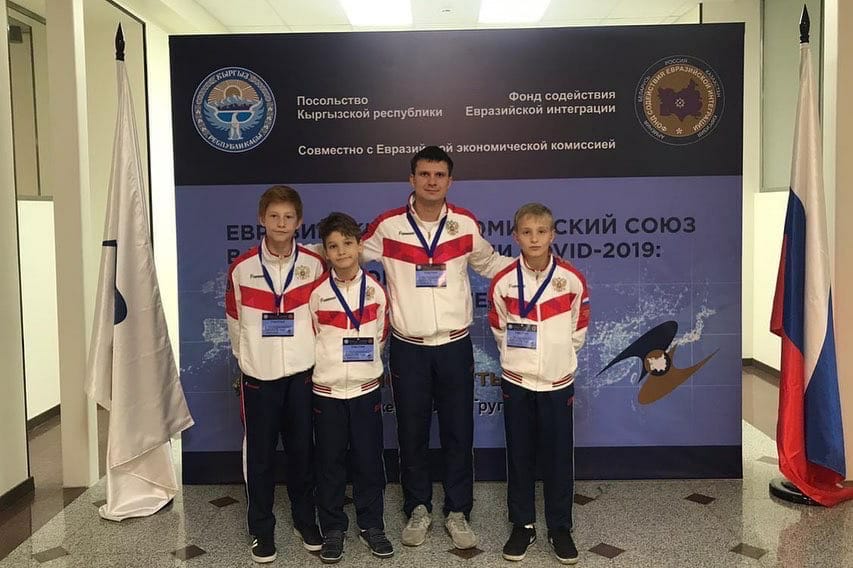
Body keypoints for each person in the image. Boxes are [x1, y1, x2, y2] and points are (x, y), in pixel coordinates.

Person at [361, 146, 511, 549]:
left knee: (458, 431)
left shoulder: (464, 224)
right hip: (408, 348)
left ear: (450, 181)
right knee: (411, 432)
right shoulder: (388, 226)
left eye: (439, 175)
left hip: (454, 346)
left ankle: (458, 511)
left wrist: (537, 263)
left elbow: (491, 263)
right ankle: (418, 507)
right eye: (424, 174)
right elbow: (348, 255)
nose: (432, 181)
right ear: (411, 179)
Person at [225, 185, 325, 563]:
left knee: (303, 452)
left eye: (288, 217)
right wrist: (251, 362)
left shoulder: (314, 264)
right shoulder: (242, 268)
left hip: (301, 375)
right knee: (260, 458)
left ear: (299, 222)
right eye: (274, 216)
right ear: (261, 219)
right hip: (259, 378)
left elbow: (322, 317)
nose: (281, 224)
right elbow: (235, 323)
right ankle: (261, 529)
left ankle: (304, 520)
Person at [488, 203, 590, 565]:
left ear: (552, 235)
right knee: (519, 455)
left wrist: (558, 359)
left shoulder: (571, 279)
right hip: (517, 382)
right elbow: (499, 327)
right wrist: (519, 360)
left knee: (559, 458)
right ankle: (523, 525)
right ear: (516, 236)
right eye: (527, 232)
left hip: (557, 383)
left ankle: (559, 527)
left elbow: (578, 326)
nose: (534, 239)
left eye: (541, 232)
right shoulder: (503, 281)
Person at [308, 212, 393, 564]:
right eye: (333, 246)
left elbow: (381, 336)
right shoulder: (316, 295)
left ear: (360, 246)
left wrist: (362, 370)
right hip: (326, 394)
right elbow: (311, 337)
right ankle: (332, 528)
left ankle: (371, 525)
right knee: (329, 463)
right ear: (325, 252)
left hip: (364, 390)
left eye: (347, 243)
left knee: (368, 461)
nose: (341, 251)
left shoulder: (376, 292)